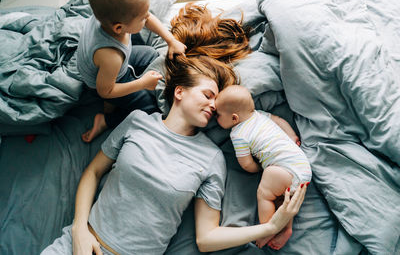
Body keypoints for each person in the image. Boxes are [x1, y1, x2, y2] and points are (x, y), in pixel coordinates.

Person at [41, 54, 308, 255]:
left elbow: (206, 238)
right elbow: (93, 171)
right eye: (208, 94)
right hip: (77, 244)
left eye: (217, 101)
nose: (214, 105)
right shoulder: (137, 122)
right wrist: (78, 230)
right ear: (179, 92)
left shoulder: (211, 158)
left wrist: (271, 227)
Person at [77, 0, 186, 143]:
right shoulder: (111, 56)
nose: (147, 17)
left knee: (151, 54)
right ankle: (106, 119)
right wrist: (142, 84)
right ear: (119, 28)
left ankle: (112, 103)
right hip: (107, 85)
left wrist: (171, 41)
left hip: (116, 67)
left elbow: (148, 17)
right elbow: (105, 91)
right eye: (143, 18)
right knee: (152, 108)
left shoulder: (106, 16)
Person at [215, 85, 312, 250]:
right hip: (301, 165)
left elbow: (246, 163)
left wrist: (258, 169)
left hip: (284, 169)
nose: (215, 117)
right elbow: (280, 121)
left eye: (218, 115)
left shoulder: (238, 134)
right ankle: (286, 229)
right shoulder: (260, 115)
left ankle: (267, 229)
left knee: (265, 195)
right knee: (282, 199)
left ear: (234, 118)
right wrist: (292, 136)